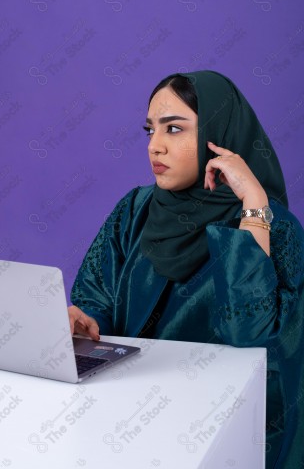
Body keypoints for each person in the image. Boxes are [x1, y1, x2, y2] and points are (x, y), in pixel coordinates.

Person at [68, 70, 304, 468]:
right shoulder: (136, 209)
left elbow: (250, 338)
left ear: (220, 135)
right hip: (128, 419)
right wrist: (84, 322)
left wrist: (253, 204)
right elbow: (97, 297)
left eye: (173, 129)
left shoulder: (276, 228)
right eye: (150, 131)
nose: (154, 147)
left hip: (226, 433)